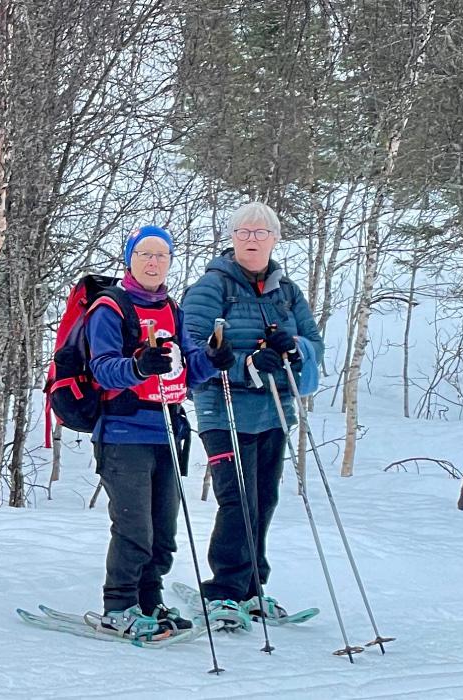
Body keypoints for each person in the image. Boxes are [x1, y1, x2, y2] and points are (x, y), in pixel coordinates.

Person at [180, 202, 324, 629]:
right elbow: (194, 347)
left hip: (273, 410)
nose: (252, 239)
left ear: (275, 239)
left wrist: (291, 348)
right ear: (232, 238)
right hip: (223, 409)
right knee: (236, 497)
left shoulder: (287, 291)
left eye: (261, 232)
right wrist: (245, 361)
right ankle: (224, 588)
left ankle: (252, 587)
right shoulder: (211, 287)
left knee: (264, 499)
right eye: (244, 232)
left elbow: (312, 343)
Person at [82, 225, 218, 640]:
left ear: (170, 261)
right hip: (123, 433)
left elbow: (191, 366)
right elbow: (101, 367)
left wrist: (217, 358)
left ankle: (149, 600)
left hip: (167, 432)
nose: (153, 262)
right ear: (130, 259)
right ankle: (119, 606)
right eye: (145, 254)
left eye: (161, 255)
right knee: (133, 527)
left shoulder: (172, 310)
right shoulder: (110, 308)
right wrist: (139, 366)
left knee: (163, 529)